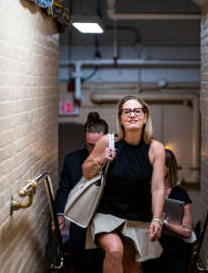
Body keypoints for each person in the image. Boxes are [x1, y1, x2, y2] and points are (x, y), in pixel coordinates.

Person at [82, 95, 166, 273]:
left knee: (131, 265)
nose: (132, 115)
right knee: (114, 251)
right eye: (126, 111)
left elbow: (158, 187)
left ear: (145, 117)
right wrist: (102, 159)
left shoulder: (155, 148)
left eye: (137, 111)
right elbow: (86, 171)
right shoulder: (108, 141)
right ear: (120, 118)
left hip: (138, 216)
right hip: (107, 212)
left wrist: (157, 218)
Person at [52, 112, 108, 273]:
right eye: (90, 145)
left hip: (107, 223)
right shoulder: (72, 160)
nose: (93, 150)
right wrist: (60, 214)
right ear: (84, 140)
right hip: (80, 226)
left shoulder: (115, 160)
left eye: (97, 145)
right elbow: (63, 190)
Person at [142, 149, 194, 273]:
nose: (155, 168)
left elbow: (187, 232)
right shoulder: (146, 190)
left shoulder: (180, 194)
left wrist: (164, 222)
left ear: (169, 168)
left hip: (175, 250)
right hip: (151, 248)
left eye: (159, 165)